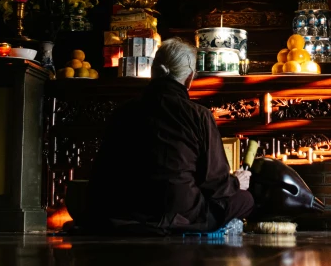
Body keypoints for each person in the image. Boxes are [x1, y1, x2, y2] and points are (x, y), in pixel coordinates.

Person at [86, 39, 254, 234]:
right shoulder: (198, 115)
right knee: (245, 200)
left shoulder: (123, 112)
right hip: (178, 213)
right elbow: (214, 184)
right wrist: (236, 182)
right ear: (189, 78)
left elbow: (101, 172)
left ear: (153, 72)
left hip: (124, 212)